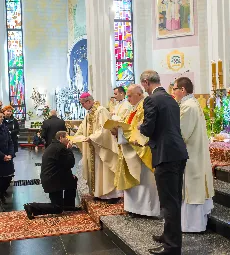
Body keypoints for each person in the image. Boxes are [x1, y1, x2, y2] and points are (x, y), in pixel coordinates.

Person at [138, 70, 188, 255]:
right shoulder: (171, 99)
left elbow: (149, 128)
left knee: (169, 203)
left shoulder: (151, 99)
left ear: (145, 82)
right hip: (178, 152)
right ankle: (169, 237)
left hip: (165, 155)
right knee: (174, 200)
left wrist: (140, 127)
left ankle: (172, 248)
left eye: (143, 85)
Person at [172, 77, 215, 232]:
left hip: (190, 154)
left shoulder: (188, 107)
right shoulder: (191, 103)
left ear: (182, 90)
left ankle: (192, 225)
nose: (173, 92)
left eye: (174, 89)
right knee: (192, 187)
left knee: (191, 188)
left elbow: (181, 133)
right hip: (193, 152)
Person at [112, 84, 160, 218]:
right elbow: (128, 127)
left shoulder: (145, 107)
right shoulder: (132, 109)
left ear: (139, 94)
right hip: (130, 149)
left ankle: (146, 210)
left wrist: (120, 132)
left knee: (144, 181)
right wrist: (117, 131)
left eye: (130, 95)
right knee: (134, 182)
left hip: (141, 151)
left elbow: (142, 129)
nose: (127, 98)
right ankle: (134, 208)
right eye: (127, 96)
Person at [74, 92, 121, 203]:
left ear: (89, 101)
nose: (82, 106)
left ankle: (112, 195)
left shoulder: (101, 110)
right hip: (94, 147)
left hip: (102, 146)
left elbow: (105, 129)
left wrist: (92, 137)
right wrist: (74, 139)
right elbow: (82, 128)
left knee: (105, 170)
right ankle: (99, 193)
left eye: (82, 104)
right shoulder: (89, 113)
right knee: (97, 171)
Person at [24, 131, 80, 219]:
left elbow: (62, 165)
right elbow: (70, 164)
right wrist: (69, 149)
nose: (68, 140)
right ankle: (32, 207)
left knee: (72, 181)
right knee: (57, 208)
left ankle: (69, 207)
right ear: (61, 138)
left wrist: (70, 176)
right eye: (67, 137)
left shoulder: (54, 145)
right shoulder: (61, 148)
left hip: (52, 177)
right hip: (53, 181)